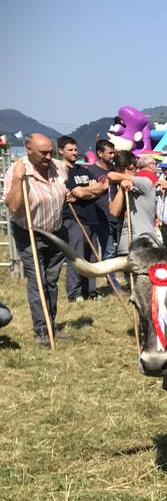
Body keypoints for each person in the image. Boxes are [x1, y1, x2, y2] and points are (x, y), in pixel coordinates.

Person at [4, 133, 69, 344]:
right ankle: (41, 330)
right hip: (29, 233)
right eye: (43, 152)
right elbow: (13, 206)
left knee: (51, 281)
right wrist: (17, 179)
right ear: (28, 150)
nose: (48, 156)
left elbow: (68, 186)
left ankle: (52, 323)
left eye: (51, 151)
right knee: (38, 281)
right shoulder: (18, 170)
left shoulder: (58, 166)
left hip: (56, 232)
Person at [58, 135, 110, 300]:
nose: (74, 152)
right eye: (70, 150)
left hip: (91, 218)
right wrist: (88, 191)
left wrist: (85, 191)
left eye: (75, 149)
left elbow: (98, 188)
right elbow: (79, 192)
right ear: (61, 151)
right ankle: (75, 293)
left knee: (92, 257)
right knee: (77, 256)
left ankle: (91, 291)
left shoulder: (83, 170)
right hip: (73, 219)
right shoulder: (62, 172)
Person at [107, 151, 158, 251]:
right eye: (122, 170)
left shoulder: (145, 182)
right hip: (125, 246)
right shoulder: (114, 186)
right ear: (116, 169)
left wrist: (125, 178)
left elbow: (111, 175)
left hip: (146, 245)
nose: (126, 173)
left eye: (130, 169)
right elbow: (114, 212)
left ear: (137, 168)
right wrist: (122, 189)